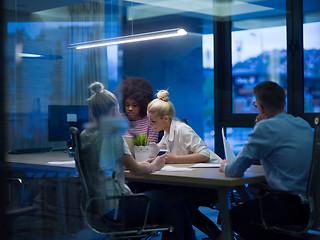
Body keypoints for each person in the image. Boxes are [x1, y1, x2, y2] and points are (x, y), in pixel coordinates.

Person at [81, 82, 196, 240]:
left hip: (95, 209)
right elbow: (136, 170)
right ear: (114, 109)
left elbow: (123, 165)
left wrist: (143, 164)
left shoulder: (85, 136)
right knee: (173, 198)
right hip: (116, 208)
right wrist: (155, 165)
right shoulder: (112, 135)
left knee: (173, 209)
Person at [219, 81, 313, 240]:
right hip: (310, 205)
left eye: (256, 105)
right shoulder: (302, 123)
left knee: (228, 217)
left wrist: (225, 165)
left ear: (260, 108)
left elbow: (235, 170)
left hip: (287, 205)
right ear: (284, 103)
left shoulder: (265, 127)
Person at [147, 89, 222, 239]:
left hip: (214, 180)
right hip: (197, 180)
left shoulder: (183, 130)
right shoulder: (168, 132)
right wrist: (144, 158)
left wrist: (175, 159)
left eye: (153, 121)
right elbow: (155, 151)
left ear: (166, 119)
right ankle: (213, 236)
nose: (150, 124)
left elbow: (204, 155)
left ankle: (217, 236)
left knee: (179, 202)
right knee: (178, 202)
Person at [115, 76, 158, 144]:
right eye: (127, 105)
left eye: (134, 105)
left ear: (142, 105)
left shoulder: (150, 122)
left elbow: (152, 147)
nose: (130, 109)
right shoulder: (119, 119)